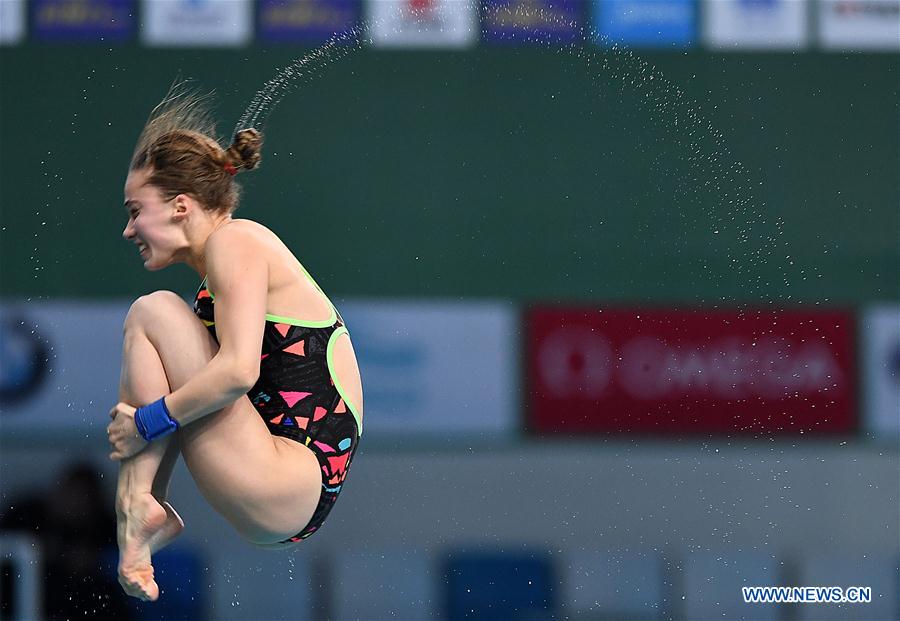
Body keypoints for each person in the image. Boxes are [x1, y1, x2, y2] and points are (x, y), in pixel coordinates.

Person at [105, 86, 364, 602]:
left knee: (152, 311)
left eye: (137, 210)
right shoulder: (217, 278)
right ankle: (141, 505)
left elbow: (239, 371)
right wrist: (149, 426)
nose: (128, 228)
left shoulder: (235, 242)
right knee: (158, 322)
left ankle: (137, 506)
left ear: (181, 206)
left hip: (286, 477)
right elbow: (209, 388)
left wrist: (147, 423)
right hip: (284, 485)